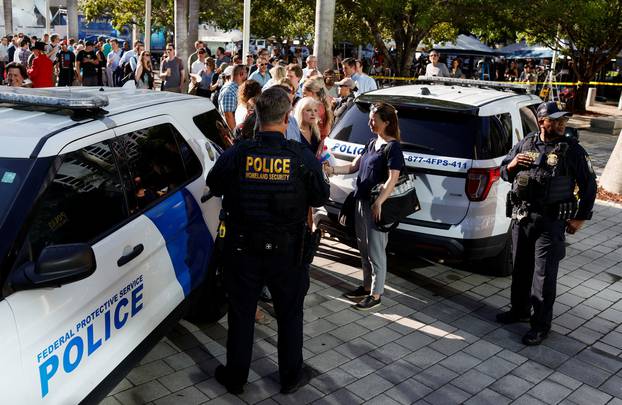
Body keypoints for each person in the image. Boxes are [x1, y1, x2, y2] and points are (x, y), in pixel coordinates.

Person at [206, 86, 330, 395]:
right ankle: (290, 376)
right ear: (287, 117)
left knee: (241, 314)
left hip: (242, 249)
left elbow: (214, 183)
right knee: (289, 315)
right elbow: (320, 195)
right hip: (287, 253)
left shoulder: (238, 153)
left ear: (258, 117)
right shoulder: (299, 156)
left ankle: (236, 377)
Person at [496, 101, 597, 345]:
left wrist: (580, 218)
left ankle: (540, 325)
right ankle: (518, 310)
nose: (562, 124)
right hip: (523, 217)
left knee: (543, 276)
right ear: (542, 121)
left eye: (564, 120)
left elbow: (589, 185)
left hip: (551, 222)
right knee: (520, 268)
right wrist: (511, 165)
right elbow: (504, 172)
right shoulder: (527, 143)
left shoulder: (572, 150)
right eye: (556, 120)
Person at [326, 102, 405, 310]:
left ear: (386, 122)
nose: (370, 122)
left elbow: (392, 179)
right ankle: (366, 286)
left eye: (374, 120)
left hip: (376, 206)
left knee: (376, 252)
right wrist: (332, 170)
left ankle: (376, 295)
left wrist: (379, 202)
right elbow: (354, 166)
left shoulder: (393, 147)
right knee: (363, 248)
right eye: (369, 118)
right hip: (360, 202)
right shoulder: (372, 143)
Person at [219, 64, 248, 130]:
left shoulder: (236, 88)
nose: (247, 75)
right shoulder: (229, 91)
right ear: (241, 74)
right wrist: (235, 135)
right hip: (232, 132)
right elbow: (228, 116)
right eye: (246, 73)